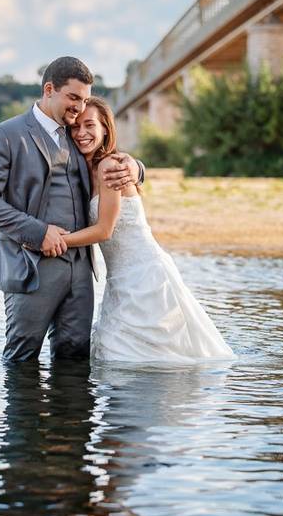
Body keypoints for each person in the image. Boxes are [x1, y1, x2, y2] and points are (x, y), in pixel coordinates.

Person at [0, 56, 143, 363]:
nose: (78, 108)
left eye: (84, 100)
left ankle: (72, 414)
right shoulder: (6, 135)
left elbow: (106, 153)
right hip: (31, 267)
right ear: (49, 89)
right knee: (22, 359)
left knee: (75, 359)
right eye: (73, 97)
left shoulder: (76, 135)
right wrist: (37, 232)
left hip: (80, 272)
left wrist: (137, 168)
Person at [62, 97, 234, 363]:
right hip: (120, 279)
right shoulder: (87, 170)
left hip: (144, 275)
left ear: (105, 128)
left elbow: (104, 231)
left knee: (140, 354)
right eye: (76, 127)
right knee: (124, 352)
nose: (81, 133)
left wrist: (56, 241)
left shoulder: (109, 167)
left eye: (89, 125)